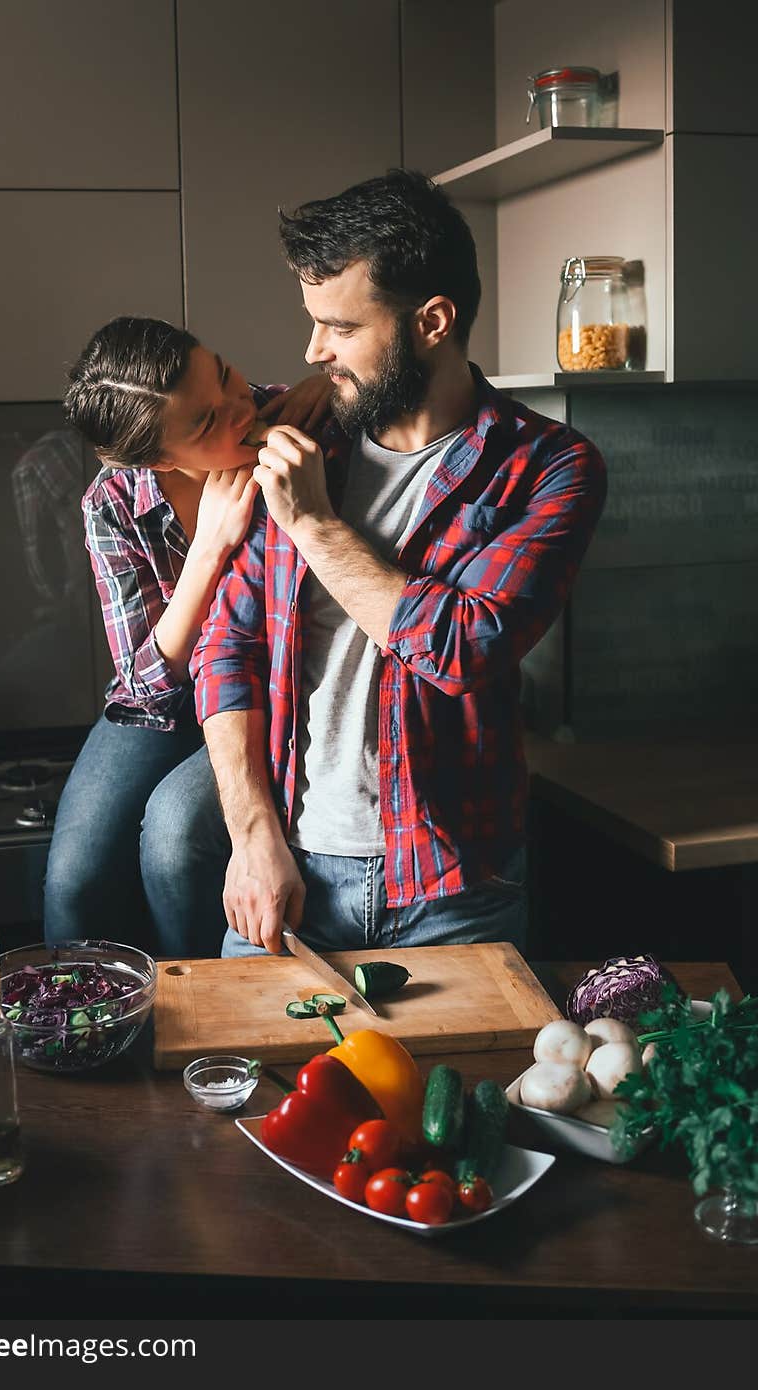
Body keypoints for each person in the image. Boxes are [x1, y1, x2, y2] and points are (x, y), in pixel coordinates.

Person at [173, 168, 609, 961]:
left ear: (432, 321)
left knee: (465, 1091)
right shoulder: (304, 441)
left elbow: (464, 647)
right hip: (289, 879)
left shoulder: (550, 467)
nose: (314, 350)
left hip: (458, 889)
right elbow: (226, 650)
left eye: (339, 326)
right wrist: (252, 837)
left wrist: (311, 524)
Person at [42, 315, 330, 955]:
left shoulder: (292, 425)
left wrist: (330, 383)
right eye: (205, 423)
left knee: (172, 836)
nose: (239, 406)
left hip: (258, 694)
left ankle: (199, 1006)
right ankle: (76, 1031)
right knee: (73, 882)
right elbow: (146, 678)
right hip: (165, 704)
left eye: (226, 374)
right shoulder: (113, 499)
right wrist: (208, 550)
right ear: (158, 457)